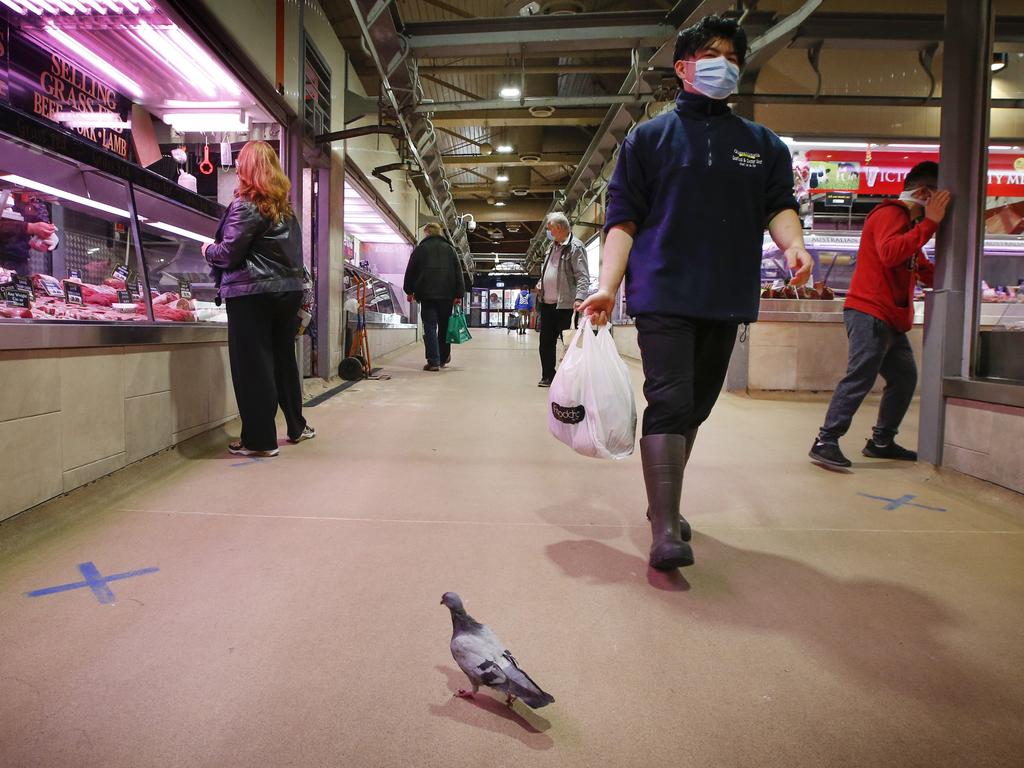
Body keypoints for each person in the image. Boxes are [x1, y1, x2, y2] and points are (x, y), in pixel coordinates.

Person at [579, 15, 813, 571]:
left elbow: (778, 205)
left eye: (732, 57)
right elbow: (623, 219)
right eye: (710, 54)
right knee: (671, 399)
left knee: (698, 408)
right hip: (662, 293)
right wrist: (608, 286)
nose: (723, 65)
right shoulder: (649, 138)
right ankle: (664, 529)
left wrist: (794, 245)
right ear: (683, 67)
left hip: (727, 296)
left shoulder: (761, 144)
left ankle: (666, 503)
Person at [810, 162, 951, 468]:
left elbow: (921, 268)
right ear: (925, 193)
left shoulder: (911, 226)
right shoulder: (891, 213)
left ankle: (882, 441)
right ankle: (825, 441)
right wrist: (932, 223)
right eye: (939, 197)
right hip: (869, 312)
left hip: (890, 318)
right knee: (860, 376)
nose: (942, 205)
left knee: (904, 378)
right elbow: (889, 253)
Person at [201, 140, 313, 458]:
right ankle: (296, 426)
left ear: (247, 168)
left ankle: (260, 441)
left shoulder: (246, 205)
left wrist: (207, 250)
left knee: (254, 367)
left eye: (239, 163)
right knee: (282, 361)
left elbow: (228, 253)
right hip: (287, 293)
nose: (235, 168)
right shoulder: (286, 209)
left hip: (252, 293)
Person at [536, 212, 591, 387]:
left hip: (566, 305)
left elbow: (582, 276)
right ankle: (548, 376)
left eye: (549, 228)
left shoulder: (575, 247)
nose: (548, 231)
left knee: (569, 343)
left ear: (558, 228)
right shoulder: (551, 247)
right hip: (547, 303)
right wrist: (540, 283)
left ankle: (570, 378)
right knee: (545, 343)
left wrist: (580, 298)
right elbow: (548, 271)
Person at [404, 222, 465, 371]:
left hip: (426, 295)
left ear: (427, 232)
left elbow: (410, 270)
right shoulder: (450, 249)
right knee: (444, 326)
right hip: (446, 295)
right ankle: (443, 358)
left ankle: (433, 361)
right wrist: (459, 294)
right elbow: (458, 272)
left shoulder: (420, 249)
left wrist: (409, 290)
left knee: (430, 327)